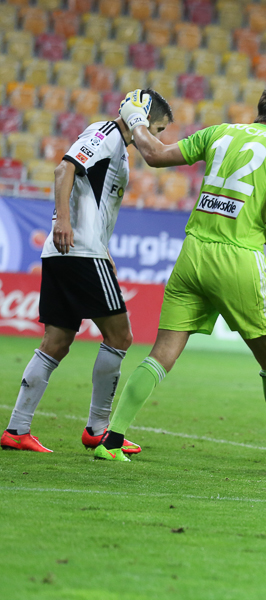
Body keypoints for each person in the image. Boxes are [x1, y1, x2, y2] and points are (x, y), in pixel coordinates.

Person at [94, 87, 266, 469]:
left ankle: (112, 439)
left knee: (162, 352)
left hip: (193, 253)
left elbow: (155, 155)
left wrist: (136, 119)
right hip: (237, 259)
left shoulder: (219, 132)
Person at [1, 91, 172, 454]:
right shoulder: (106, 133)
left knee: (56, 342)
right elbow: (64, 168)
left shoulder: (119, 149)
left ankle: (17, 430)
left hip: (68, 253)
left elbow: (93, 203)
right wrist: (63, 220)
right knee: (120, 336)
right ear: (143, 118)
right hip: (79, 251)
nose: (155, 137)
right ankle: (98, 429)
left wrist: (103, 248)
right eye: (158, 128)